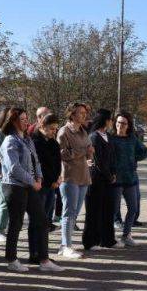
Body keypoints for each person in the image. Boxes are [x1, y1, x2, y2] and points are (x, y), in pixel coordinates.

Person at [0, 108, 64, 273]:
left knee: (42, 221)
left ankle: (44, 260)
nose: (26, 122)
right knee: (16, 223)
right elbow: (14, 168)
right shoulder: (9, 141)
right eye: (22, 119)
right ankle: (12, 259)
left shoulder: (27, 139)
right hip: (14, 186)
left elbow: (36, 162)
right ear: (12, 121)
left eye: (26, 118)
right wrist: (32, 181)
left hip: (31, 186)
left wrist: (39, 178)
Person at [57, 102, 92, 259]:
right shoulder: (64, 132)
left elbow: (88, 151)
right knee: (69, 212)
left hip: (83, 176)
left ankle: (65, 244)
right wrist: (84, 151)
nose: (84, 115)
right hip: (69, 176)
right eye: (80, 113)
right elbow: (63, 154)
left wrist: (90, 152)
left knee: (75, 213)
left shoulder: (83, 131)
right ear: (72, 114)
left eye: (85, 113)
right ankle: (66, 246)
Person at [110, 111, 147, 247]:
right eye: (119, 122)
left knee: (133, 208)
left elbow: (145, 151)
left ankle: (126, 235)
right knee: (113, 210)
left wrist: (133, 159)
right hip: (115, 180)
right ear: (115, 123)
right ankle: (109, 237)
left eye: (124, 123)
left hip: (130, 178)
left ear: (128, 125)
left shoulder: (132, 138)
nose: (121, 125)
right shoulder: (110, 138)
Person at [82, 109, 118, 251]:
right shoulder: (94, 137)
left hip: (108, 179)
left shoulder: (108, 136)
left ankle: (108, 240)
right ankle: (90, 241)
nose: (112, 122)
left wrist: (113, 173)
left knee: (108, 209)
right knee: (94, 211)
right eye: (110, 120)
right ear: (105, 120)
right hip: (96, 179)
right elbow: (98, 161)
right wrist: (109, 175)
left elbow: (112, 157)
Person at [0, 107, 22, 244]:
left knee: (9, 203)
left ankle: (3, 229)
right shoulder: (0, 133)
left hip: (12, 175)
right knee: (4, 203)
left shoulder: (15, 134)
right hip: (2, 174)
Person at [32, 113, 62, 230]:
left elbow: (57, 163)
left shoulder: (53, 142)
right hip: (41, 184)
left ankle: (43, 242)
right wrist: (51, 181)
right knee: (39, 216)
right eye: (51, 129)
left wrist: (57, 178)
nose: (54, 131)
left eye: (55, 129)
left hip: (52, 184)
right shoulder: (35, 142)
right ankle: (37, 244)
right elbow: (40, 165)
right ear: (43, 126)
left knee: (47, 215)